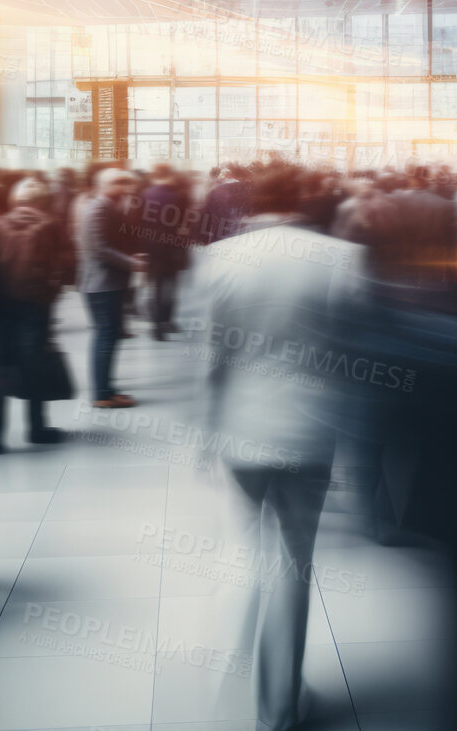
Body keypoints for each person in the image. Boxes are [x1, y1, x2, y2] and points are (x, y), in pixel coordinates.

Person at [199, 166, 368, 731]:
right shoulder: (340, 258)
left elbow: (213, 361)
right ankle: (278, 705)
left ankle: (237, 662)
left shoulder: (223, 258)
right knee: (294, 564)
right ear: (304, 198)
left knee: (249, 551)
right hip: (308, 432)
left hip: (242, 429)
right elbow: (354, 355)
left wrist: (206, 433)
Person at [0, 177, 69, 452]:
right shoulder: (51, 225)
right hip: (35, 308)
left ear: (16, 201)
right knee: (35, 364)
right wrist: (50, 296)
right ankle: (37, 428)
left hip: (0, 308)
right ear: (43, 201)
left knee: (0, 368)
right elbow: (64, 266)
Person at [76, 168, 145, 408]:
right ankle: (102, 394)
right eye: (119, 183)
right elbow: (100, 249)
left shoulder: (108, 206)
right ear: (102, 185)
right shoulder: (98, 208)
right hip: (101, 284)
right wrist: (131, 262)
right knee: (106, 336)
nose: (126, 187)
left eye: (127, 182)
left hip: (107, 283)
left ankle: (106, 389)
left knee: (110, 335)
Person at [137, 163, 191, 339]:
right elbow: (185, 223)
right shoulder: (179, 196)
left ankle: (156, 326)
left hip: (151, 246)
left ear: (154, 175)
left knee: (156, 286)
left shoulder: (144, 194)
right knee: (171, 285)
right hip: (172, 246)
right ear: (170, 175)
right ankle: (168, 321)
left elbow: (138, 221)